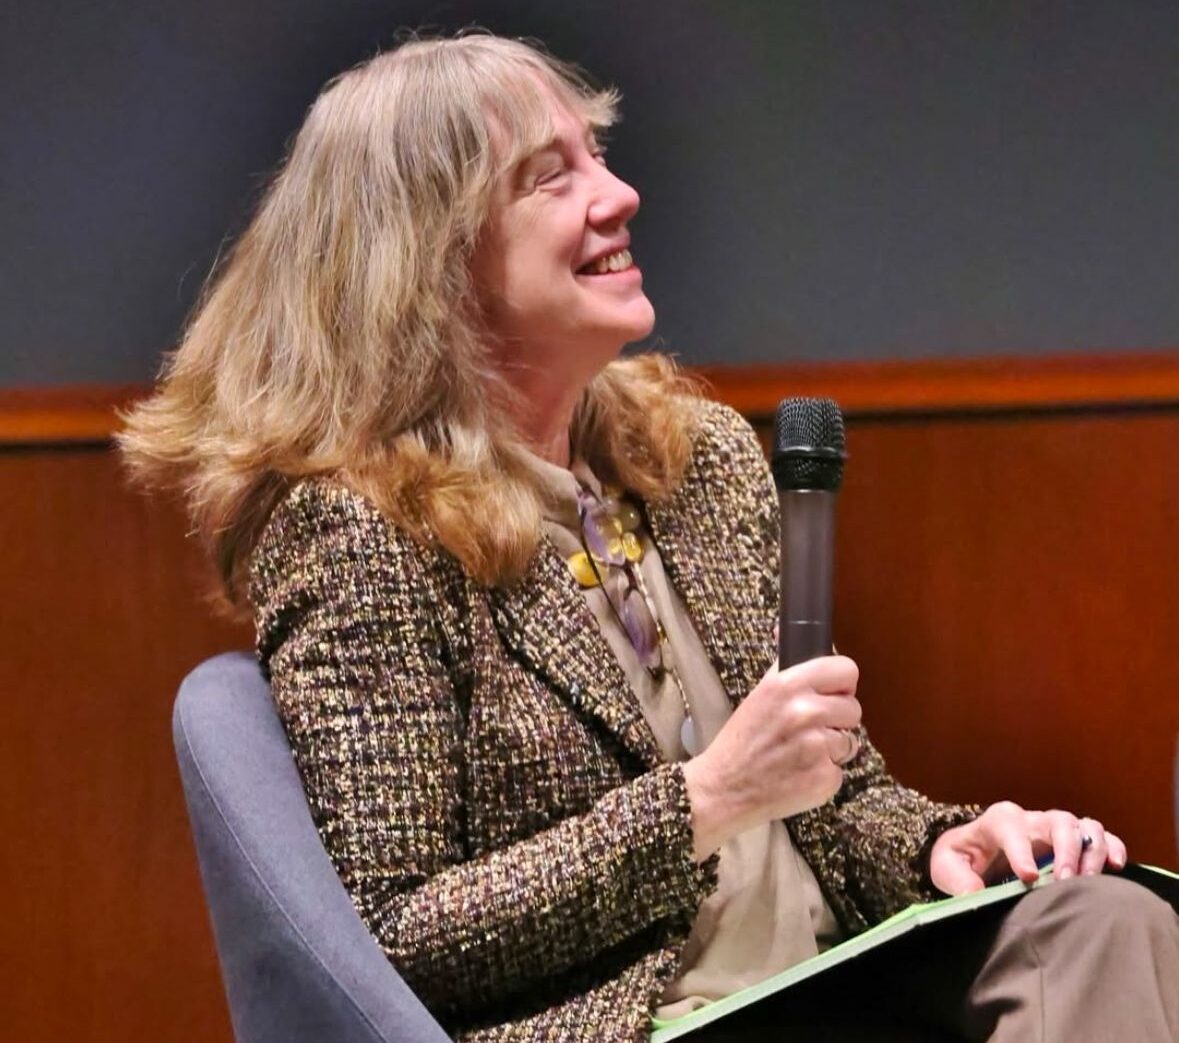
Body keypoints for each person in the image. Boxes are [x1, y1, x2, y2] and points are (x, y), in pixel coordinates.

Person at [121, 33, 1178, 1042]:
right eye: (549, 176)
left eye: (601, 154)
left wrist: (948, 841)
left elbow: (828, 800)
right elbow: (400, 934)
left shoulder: (698, 459)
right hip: (649, 1017)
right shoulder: (356, 527)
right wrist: (703, 799)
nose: (618, 194)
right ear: (430, 258)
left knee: (1104, 921)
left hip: (834, 975)